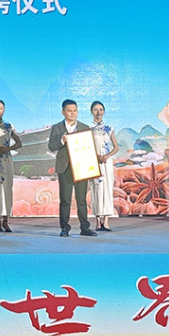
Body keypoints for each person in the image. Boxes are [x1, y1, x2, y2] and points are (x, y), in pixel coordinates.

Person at [48, 99, 96, 237]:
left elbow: (89, 148)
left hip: (81, 167)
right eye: (69, 111)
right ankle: (65, 228)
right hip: (65, 168)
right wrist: (62, 141)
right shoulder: (56, 128)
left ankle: (85, 228)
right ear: (63, 112)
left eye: (75, 110)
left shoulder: (84, 127)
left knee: (81, 199)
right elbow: (51, 146)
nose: (72, 113)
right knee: (65, 200)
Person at [0, 99, 22, 233]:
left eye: (1, 108)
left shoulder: (9, 126)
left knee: (7, 189)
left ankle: (6, 221)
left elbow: (19, 143)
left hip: (7, 160)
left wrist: (7, 149)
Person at [89, 101, 119, 232]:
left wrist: (106, 156)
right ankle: (97, 220)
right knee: (96, 189)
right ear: (91, 111)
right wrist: (96, 156)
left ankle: (106, 221)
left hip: (107, 162)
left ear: (104, 111)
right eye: (96, 110)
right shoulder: (89, 129)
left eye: (101, 109)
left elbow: (116, 147)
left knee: (107, 189)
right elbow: (87, 146)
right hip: (94, 161)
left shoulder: (109, 128)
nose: (99, 112)